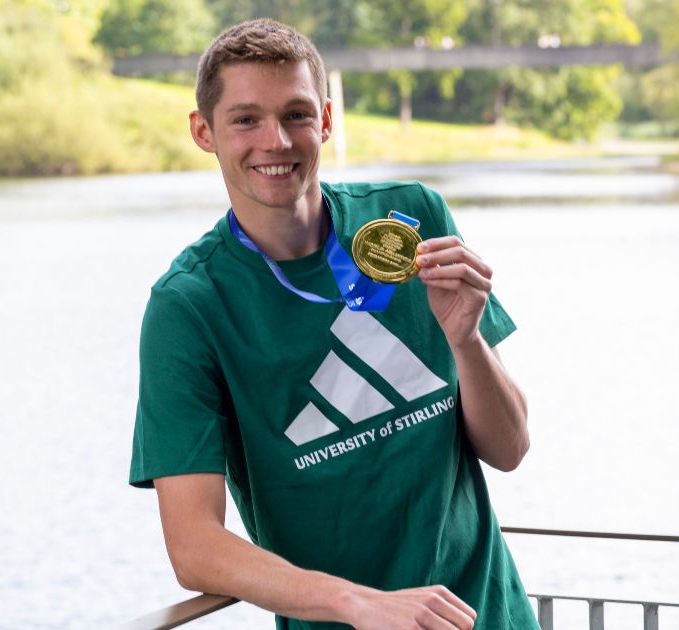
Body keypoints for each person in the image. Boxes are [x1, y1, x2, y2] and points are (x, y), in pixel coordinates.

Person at [129, 18, 538, 630]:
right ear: (203, 131)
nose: (276, 141)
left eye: (295, 115)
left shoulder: (413, 218)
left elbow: (509, 448)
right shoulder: (190, 305)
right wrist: (357, 602)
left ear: (325, 120)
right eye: (245, 119)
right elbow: (194, 547)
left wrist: (465, 339)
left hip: (490, 617)